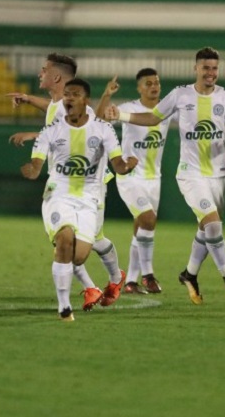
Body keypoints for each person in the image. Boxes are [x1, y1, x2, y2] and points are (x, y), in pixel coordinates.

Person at [105, 47, 225, 305]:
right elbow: (153, 117)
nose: (211, 73)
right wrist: (122, 114)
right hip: (190, 174)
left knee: (206, 228)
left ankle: (190, 274)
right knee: (213, 225)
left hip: (219, 174)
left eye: (214, 68)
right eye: (206, 68)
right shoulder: (180, 94)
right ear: (195, 68)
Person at [20, 78, 138, 321]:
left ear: (86, 101)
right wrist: (32, 171)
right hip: (58, 194)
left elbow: (118, 164)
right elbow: (37, 163)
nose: (69, 99)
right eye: (66, 95)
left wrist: (127, 167)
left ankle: (112, 278)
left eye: (74, 94)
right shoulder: (51, 131)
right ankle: (64, 306)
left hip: (89, 199)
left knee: (79, 255)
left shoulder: (103, 130)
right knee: (64, 239)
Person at [7, 53, 111, 311]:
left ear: (56, 77)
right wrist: (30, 99)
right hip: (63, 185)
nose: (39, 74)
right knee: (66, 241)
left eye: (43, 70)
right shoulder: (58, 103)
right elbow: (52, 111)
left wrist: (34, 134)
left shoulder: (79, 109)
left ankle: (114, 280)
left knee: (83, 244)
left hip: (88, 186)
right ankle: (92, 287)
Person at [98, 68, 174, 294]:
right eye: (148, 83)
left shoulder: (167, 110)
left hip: (154, 178)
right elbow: (100, 118)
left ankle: (131, 281)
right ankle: (148, 275)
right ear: (139, 88)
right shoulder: (129, 109)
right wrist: (106, 95)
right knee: (148, 220)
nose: (154, 86)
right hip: (130, 177)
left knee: (141, 228)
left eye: (157, 82)